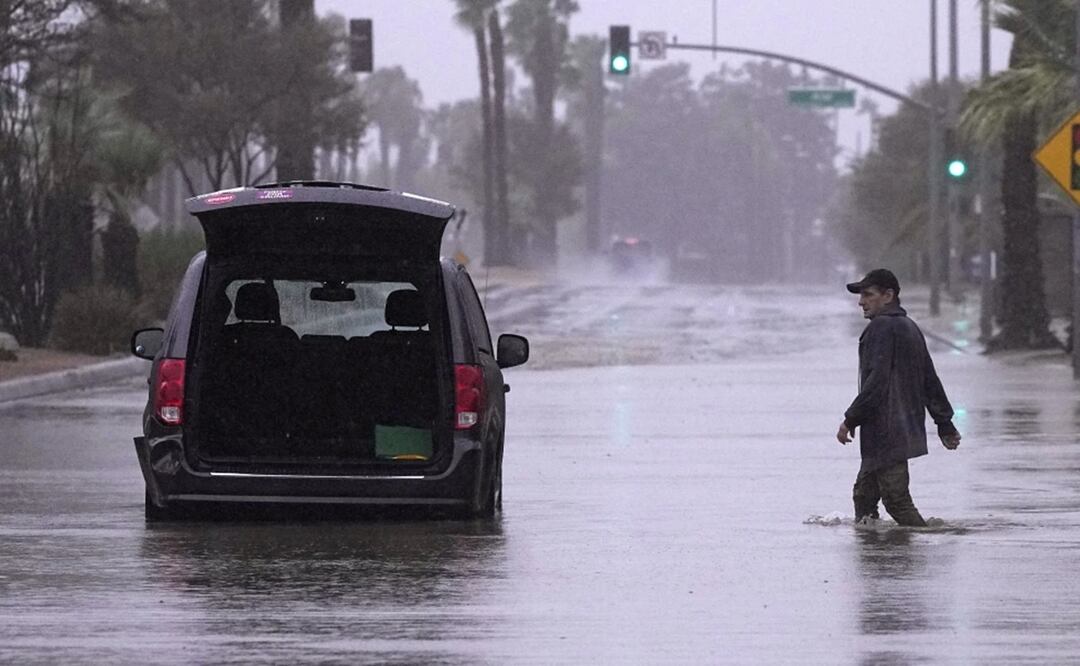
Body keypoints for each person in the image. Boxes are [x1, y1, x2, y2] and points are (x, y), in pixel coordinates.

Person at [836, 269, 962, 527]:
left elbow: (876, 383)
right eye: (861, 296)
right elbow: (930, 379)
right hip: (901, 428)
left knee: (896, 500)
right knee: (864, 496)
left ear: (888, 296)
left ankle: (911, 558)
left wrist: (850, 419)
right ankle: (878, 555)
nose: (861, 302)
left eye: (868, 295)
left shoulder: (881, 328)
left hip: (887, 430)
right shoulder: (909, 327)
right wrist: (944, 423)